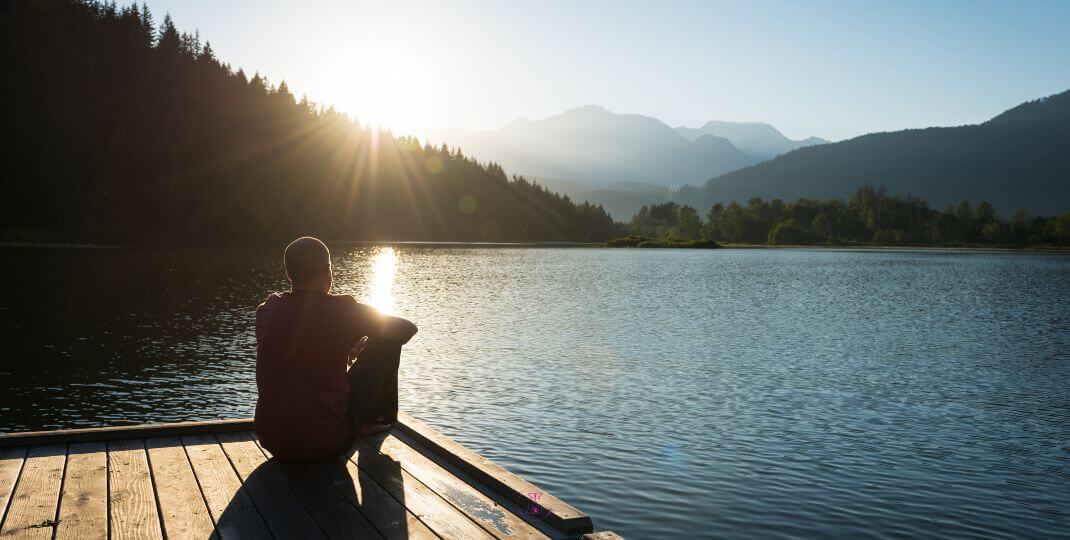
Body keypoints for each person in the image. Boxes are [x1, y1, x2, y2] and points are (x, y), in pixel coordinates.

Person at [254, 237, 417, 462]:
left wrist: (349, 342)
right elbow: (406, 329)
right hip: (327, 441)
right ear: (327, 270)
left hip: (273, 440)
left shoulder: (267, 310)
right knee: (387, 341)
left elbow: (301, 345)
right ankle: (375, 421)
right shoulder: (340, 310)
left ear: (289, 273)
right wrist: (363, 338)